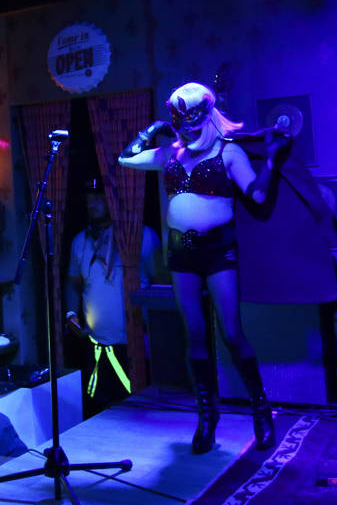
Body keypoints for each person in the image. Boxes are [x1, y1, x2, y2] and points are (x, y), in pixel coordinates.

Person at [118, 82, 288, 454]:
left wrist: (272, 161)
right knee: (194, 334)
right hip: (181, 256)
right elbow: (125, 158)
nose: (186, 131)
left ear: (208, 117)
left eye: (192, 122)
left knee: (230, 332)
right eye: (180, 123)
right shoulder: (169, 154)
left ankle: (262, 411)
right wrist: (150, 129)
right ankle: (207, 416)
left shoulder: (229, 153)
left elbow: (257, 196)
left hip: (218, 253)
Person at [65, 179, 160, 416]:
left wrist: (156, 325)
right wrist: (70, 314)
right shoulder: (80, 242)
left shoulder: (142, 236)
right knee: (101, 410)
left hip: (134, 345)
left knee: (138, 410)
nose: (92, 204)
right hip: (97, 345)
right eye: (88, 199)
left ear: (114, 200)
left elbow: (161, 282)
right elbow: (73, 283)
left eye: (99, 197)